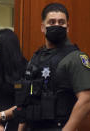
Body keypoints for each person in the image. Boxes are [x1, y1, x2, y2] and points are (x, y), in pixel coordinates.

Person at [14, 3, 90, 131]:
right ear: (43, 27)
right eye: (52, 22)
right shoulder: (36, 57)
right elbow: (29, 96)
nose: (57, 25)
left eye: (61, 22)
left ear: (68, 27)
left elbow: (86, 100)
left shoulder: (75, 58)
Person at [0, 29, 27, 131]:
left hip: (18, 124)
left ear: (4, 49)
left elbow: (25, 105)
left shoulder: (26, 69)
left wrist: (0, 116)